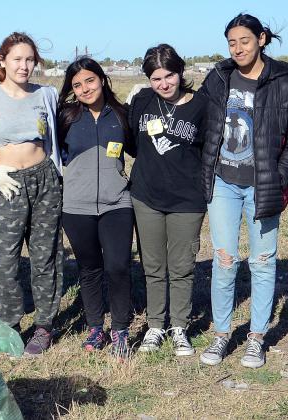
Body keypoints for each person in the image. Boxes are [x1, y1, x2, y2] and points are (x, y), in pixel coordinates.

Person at [199, 13, 288, 368]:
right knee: (224, 259)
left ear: (261, 39)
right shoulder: (218, 79)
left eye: (244, 41)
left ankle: (256, 338)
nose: (238, 49)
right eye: (232, 43)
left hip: (263, 186)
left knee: (262, 262)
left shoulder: (286, 84)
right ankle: (221, 336)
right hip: (223, 183)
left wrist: (279, 177)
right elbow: (200, 122)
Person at [0, 32, 64, 356]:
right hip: (8, 184)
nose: (24, 66)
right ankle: (10, 323)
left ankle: (43, 325)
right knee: (7, 259)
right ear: (3, 61)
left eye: (29, 60)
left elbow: (57, 134)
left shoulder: (47, 94)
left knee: (45, 255)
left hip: (45, 182)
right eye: (17, 59)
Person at [128, 44, 207, 357]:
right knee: (153, 265)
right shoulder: (141, 101)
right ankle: (155, 325)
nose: (163, 83)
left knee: (182, 266)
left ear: (181, 72)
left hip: (187, 199)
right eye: (156, 78)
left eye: (169, 76)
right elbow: (132, 144)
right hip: (146, 196)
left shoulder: (201, 105)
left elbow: (210, 147)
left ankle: (179, 327)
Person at [57, 57, 134, 359]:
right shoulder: (66, 117)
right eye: (77, 85)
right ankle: (94, 327)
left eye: (89, 80)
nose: (84, 88)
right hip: (77, 206)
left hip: (117, 203)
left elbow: (141, 151)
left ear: (101, 80)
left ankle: (121, 328)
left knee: (118, 266)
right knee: (89, 268)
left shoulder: (121, 115)